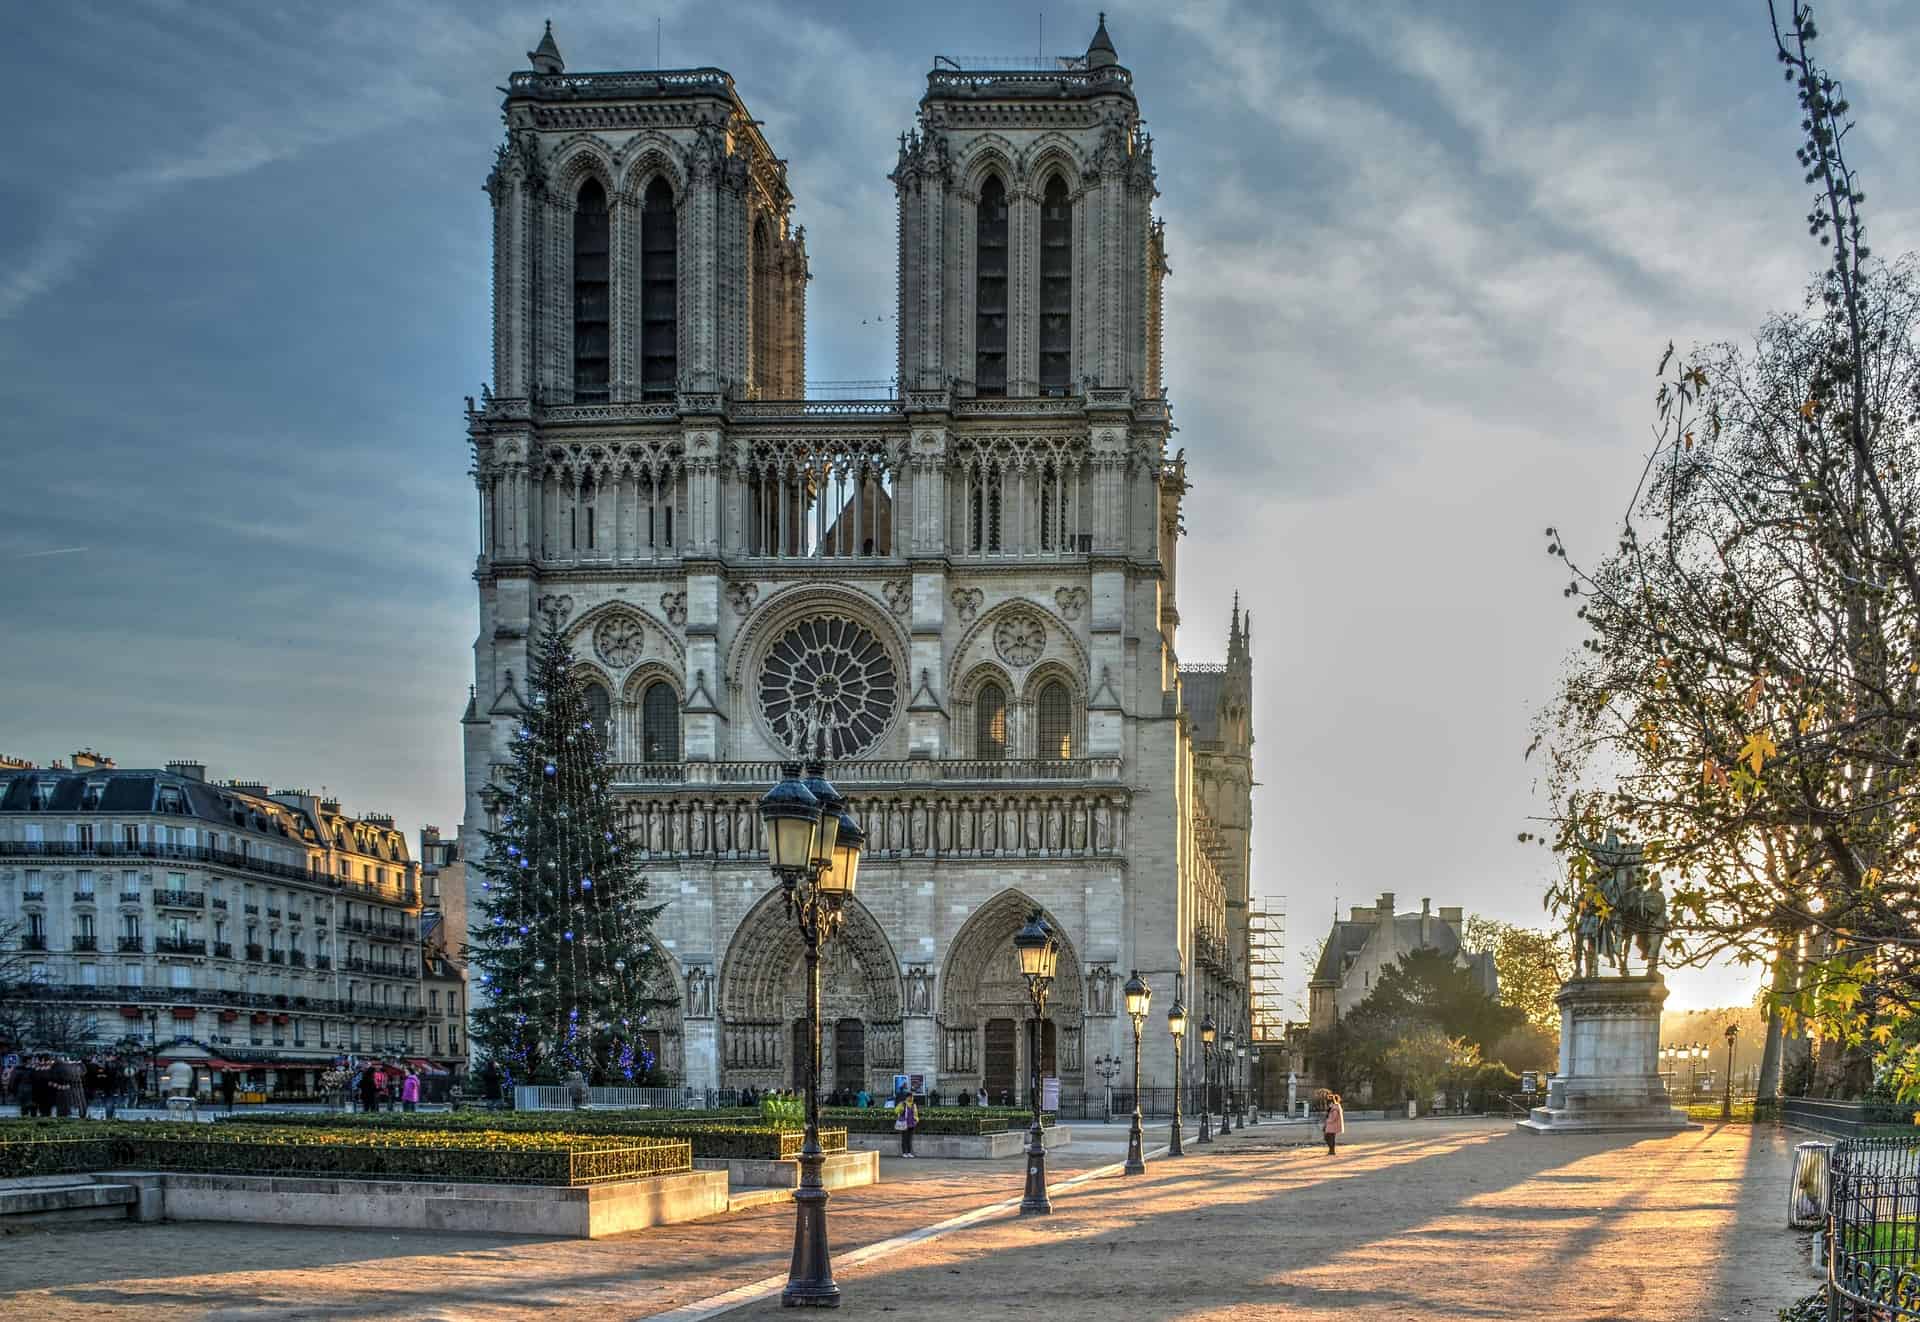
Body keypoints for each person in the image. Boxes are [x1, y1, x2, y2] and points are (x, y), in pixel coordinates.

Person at [895, 1092, 919, 1158]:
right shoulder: (903, 1103)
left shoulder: (913, 1104)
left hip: (912, 1124)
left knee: (909, 1139)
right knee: (904, 1139)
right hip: (904, 1124)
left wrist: (916, 1120)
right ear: (907, 1097)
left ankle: (909, 1152)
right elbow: (896, 1111)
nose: (911, 1098)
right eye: (910, 1097)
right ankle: (904, 1153)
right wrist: (901, 1109)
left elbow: (916, 1113)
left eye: (912, 1097)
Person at [1323, 1092, 1345, 1156]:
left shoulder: (1335, 1108)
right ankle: (1331, 1151)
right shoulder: (1332, 1107)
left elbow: (1334, 1118)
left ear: (1331, 1102)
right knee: (1329, 1138)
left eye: (1329, 1103)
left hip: (1332, 1125)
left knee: (1329, 1138)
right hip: (1330, 1125)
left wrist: (1327, 1121)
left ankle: (1332, 1151)